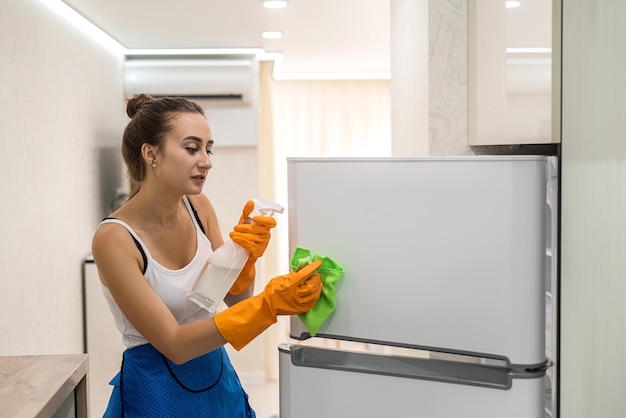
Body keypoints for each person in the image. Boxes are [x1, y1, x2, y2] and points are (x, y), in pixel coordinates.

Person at [91, 94, 323, 417]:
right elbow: (174, 343)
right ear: (150, 153)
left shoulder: (199, 207)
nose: (207, 160)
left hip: (215, 378)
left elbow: (236, 302)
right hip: (156, 391)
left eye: (208, 148)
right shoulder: (114, 239)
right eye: (192, 148)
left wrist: (245, 261)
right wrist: (269, 305)